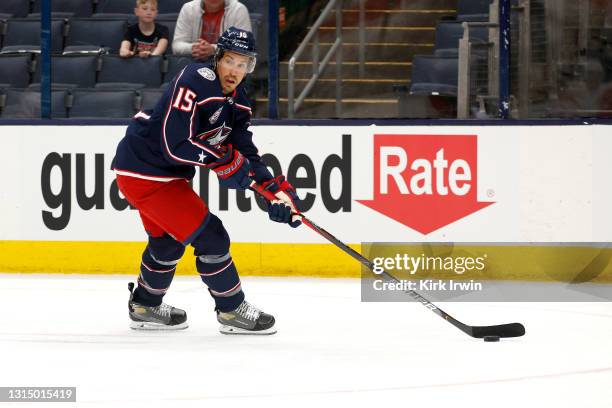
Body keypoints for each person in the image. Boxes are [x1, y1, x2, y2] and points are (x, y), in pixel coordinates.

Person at [112, 27, 300, 335]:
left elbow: (246, 154)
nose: (235, 71)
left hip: (161, 174)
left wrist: (275, 192)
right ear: (218, 59)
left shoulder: (238, 103)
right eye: (230, 61)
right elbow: (175, 144)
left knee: (168, 242)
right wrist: (223, 161)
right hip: (144, 170)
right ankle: (231, 309)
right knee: (212, 237)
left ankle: (145, 304)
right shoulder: (195, 79)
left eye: (244, 64)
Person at [172, 0, 251, 61]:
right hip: (193, 64)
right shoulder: (189, 9)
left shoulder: (238, 10)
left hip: (229, 67)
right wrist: (195, 48)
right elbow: (177, 45)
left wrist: (213, 49)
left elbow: (244, 46)